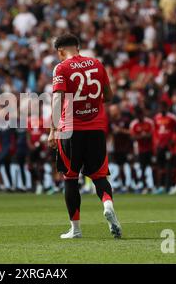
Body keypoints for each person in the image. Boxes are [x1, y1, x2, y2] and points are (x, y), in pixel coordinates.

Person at [48, 34, 121, 239]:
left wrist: (52, 130)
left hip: (70, 129)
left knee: (70, 179)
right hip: (96, 128)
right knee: (99, 176)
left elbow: (56, 99)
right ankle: (107, 204)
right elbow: (108, 95)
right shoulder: (97, 64)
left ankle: (76, 229)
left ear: (60, 51)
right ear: (77, 47)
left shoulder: (61, 68)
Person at [153, 101, 176, 194]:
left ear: (167, 108)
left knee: (169, 166)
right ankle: (161, 186)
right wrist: (156, 142)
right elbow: (155, 131)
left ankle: (171, 186)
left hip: (169, 146)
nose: (162, 109)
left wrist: (174, 139)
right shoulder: (157, 118)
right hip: (160, 146)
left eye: (164, 107)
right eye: (161, 107)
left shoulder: (172, 118)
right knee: (160, 167)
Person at [109, 104, 135, 193]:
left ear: (117, 110)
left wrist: (121, 130)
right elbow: (111, 134)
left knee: (130, 166)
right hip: (117, 148)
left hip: (127, 147)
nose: (111, 112)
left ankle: (132, 184)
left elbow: (131, 132)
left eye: (113, 110)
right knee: (120, 167)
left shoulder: (125, 120)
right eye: (110, 111)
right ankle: (123, 185)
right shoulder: (111, 122)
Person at [129, 107, 154, 194]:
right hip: (140, 150)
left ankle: (154, 186)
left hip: (150, 149)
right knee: (142, 168)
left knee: (153, 167)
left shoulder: (149, 122)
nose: (139, 116)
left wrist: (143, 135)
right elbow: (132, 137)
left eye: (140, 114)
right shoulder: (134, 124)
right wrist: (142, 136)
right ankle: (144, 186)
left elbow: (152, 134)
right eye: (138, 115)